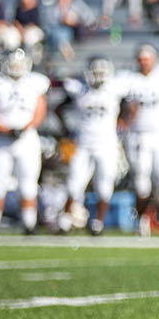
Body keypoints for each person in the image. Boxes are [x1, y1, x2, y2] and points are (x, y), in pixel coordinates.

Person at [0, 48, 49, 234]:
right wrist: (5, 129)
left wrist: (25, 128)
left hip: (26, 140)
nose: (16, 68)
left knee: (28, 183)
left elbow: (40, 110)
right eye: (13, 64)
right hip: (0, 140)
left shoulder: (35, 83)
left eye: (19, 64)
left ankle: (29, 224)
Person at [118, 44, 159, 237]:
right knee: (141, 182)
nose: (144, 63)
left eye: (147, 59)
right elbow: (123, 109)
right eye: (141, 59)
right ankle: (142, 221)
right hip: (138, 136)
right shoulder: (129, 80)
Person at [58, 57, 124, 235]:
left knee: (104, 186)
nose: (98, 77)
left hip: (106, 145)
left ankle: (98, 223)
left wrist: (123, 128)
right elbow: (60, 107)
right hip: (84, 144)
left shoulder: (114, 90)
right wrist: (67, 130)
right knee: (74, 184)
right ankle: (65, 219)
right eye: (95, 73)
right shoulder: (80, 90)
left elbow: (128, 109)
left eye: (102, 73)